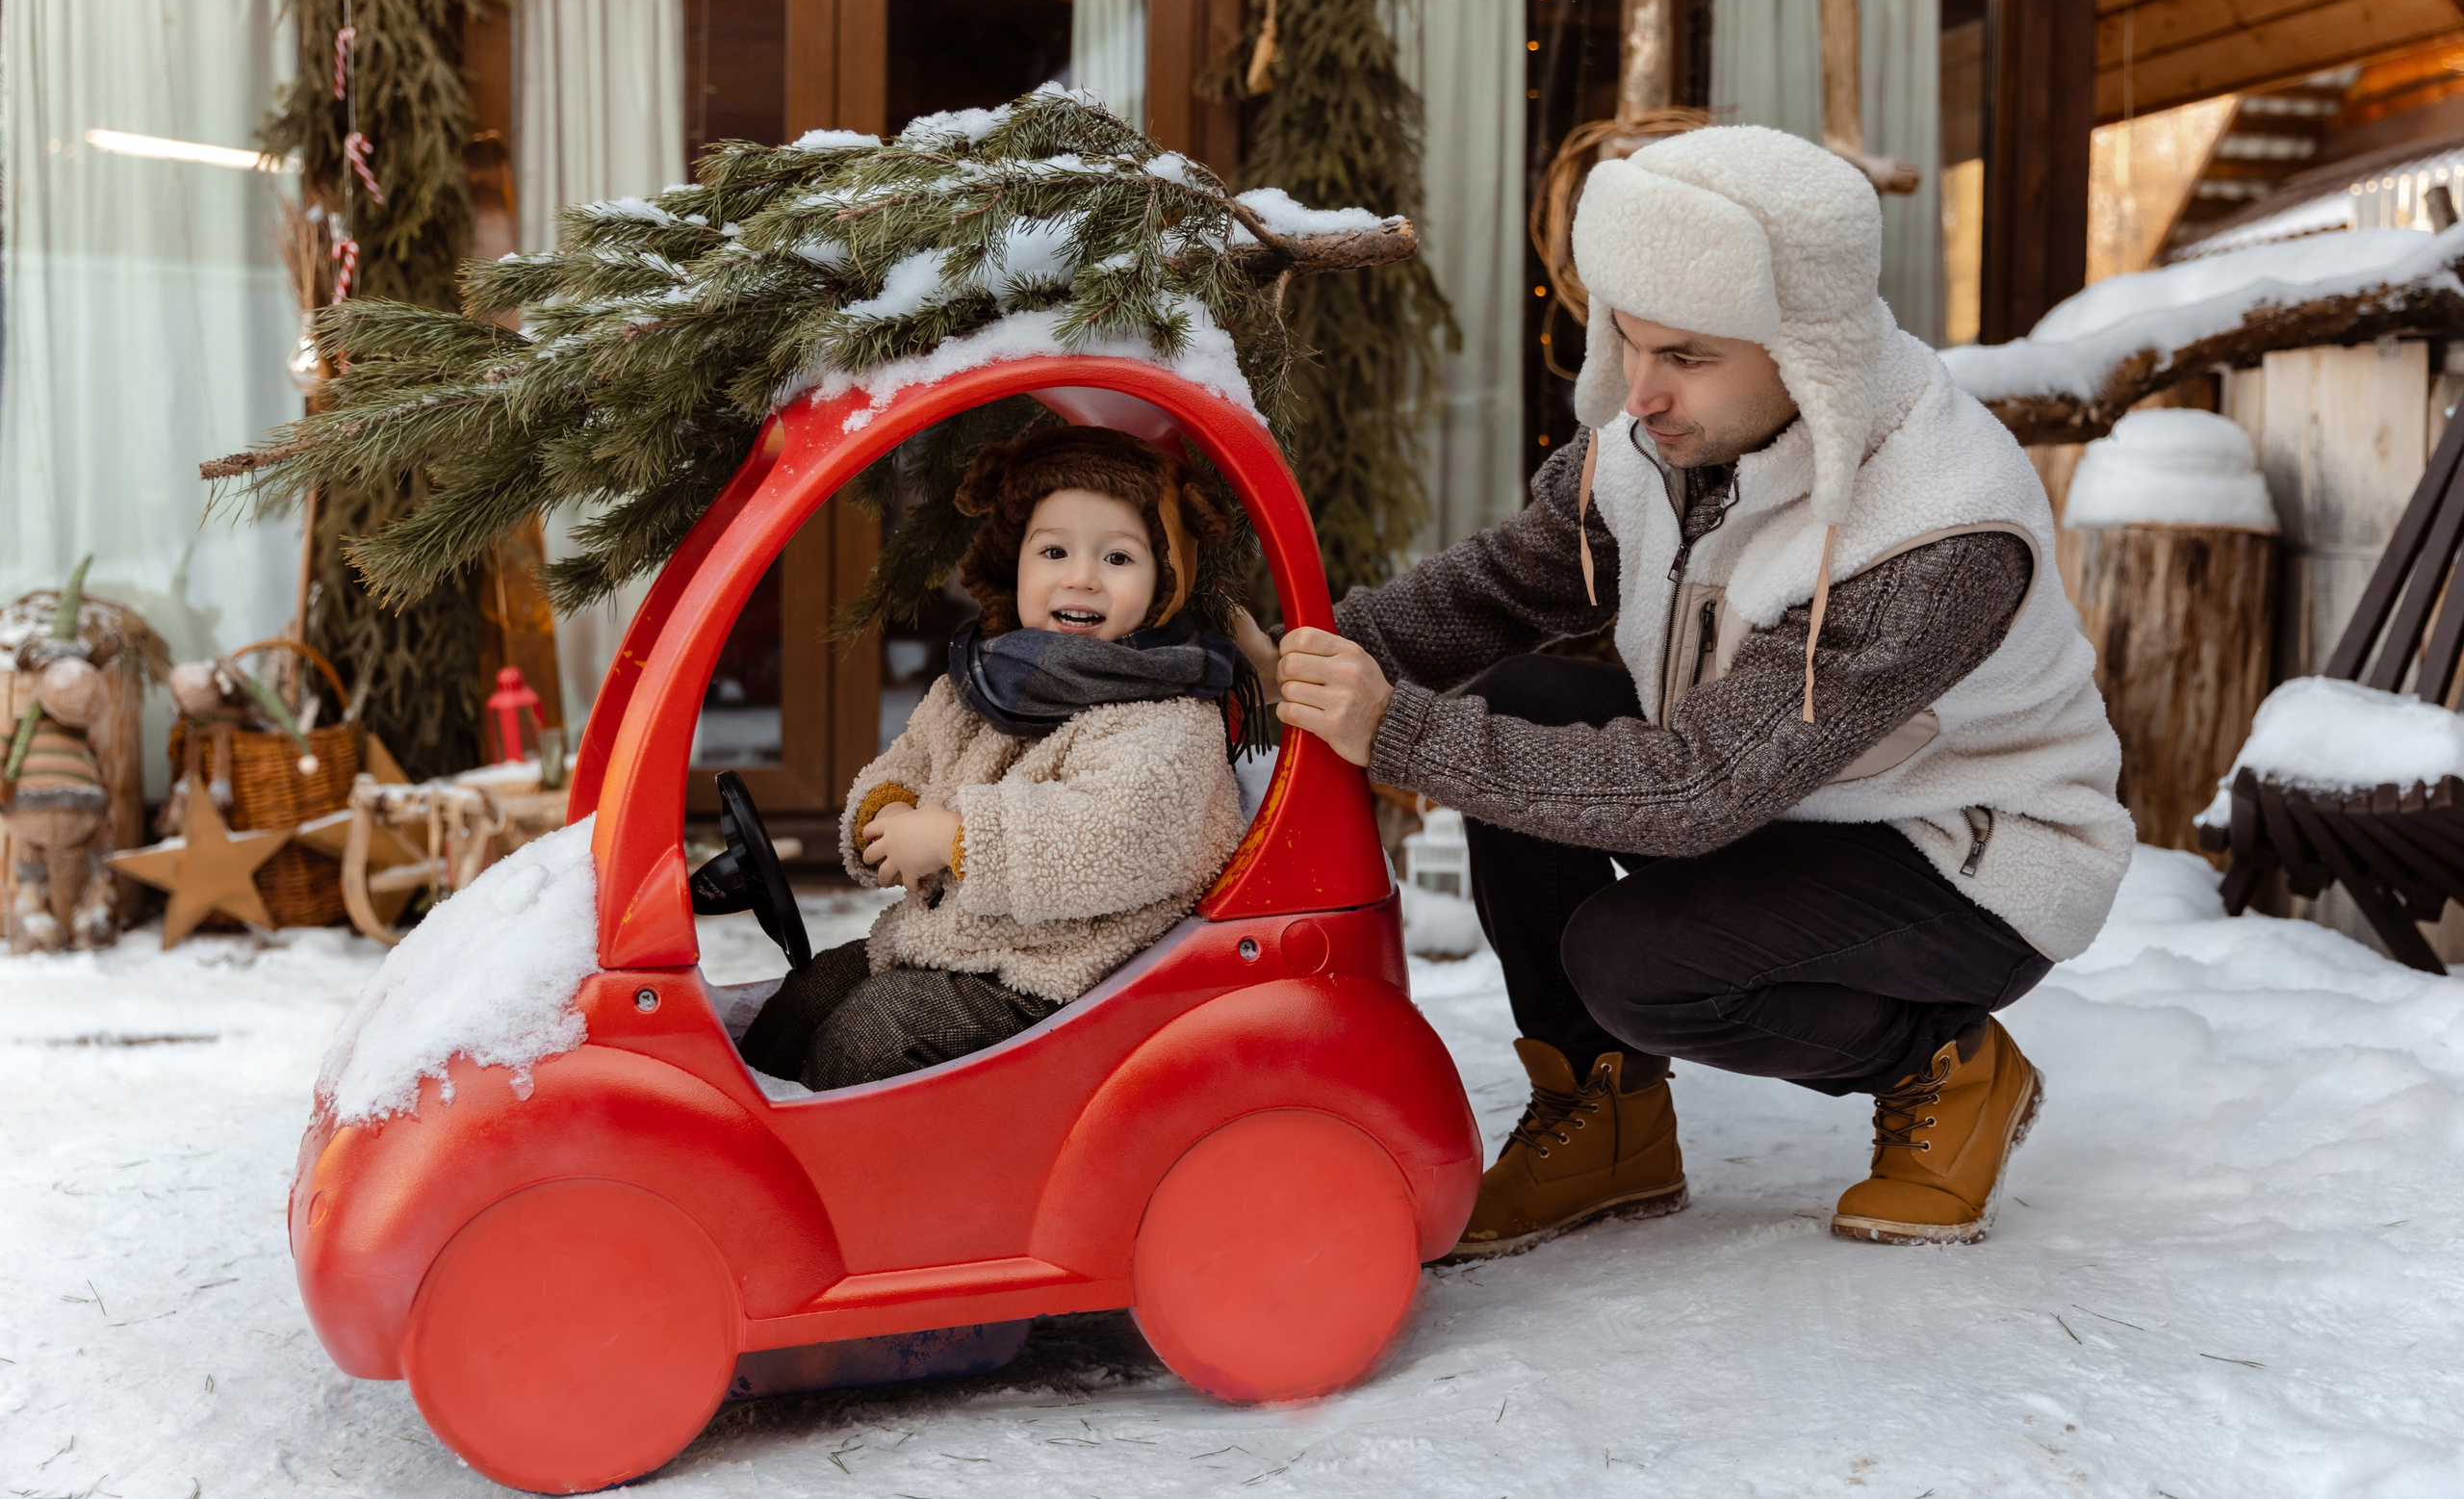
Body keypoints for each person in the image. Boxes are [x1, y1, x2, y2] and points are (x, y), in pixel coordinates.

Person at [1255, 126, 2131, 1253]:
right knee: (1521, 693)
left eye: (1687, 356)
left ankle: (1945, 1070)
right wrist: (1288, 658)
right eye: (1626, 342)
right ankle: (1603, 1114)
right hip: (1794, 797)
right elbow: (1491, 592)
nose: (1642, 392)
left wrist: (1399, 733)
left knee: (1637, 964)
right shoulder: (1658, 443)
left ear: (1804, 351)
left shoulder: (1933, 528)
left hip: (1963, 857)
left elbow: (1697, 794)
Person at [738, 426, 1254, 1089]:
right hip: (958, 947)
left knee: (872, 1036)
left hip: (1065, 983)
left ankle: (868, 1186)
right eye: (1053, 550)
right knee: (806, 998)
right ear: (1015, 563)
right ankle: (750, 1164)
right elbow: (911, 758)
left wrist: (957, 839)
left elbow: (1114, 838)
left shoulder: (1166, 714)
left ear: (1163, 579)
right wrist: (885, 809)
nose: (1081, 577)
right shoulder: (985, 680)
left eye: (1118, 558)